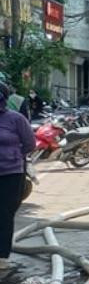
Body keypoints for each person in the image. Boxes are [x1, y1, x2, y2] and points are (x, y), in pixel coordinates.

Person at [0, 78, 34, 261]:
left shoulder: (15, 119)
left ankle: (2, 257)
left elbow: (29, 143)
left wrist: (13, 155)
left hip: (10, 173)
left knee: (5, 213)